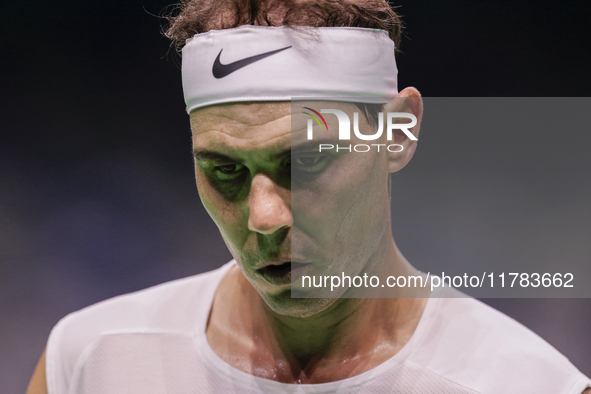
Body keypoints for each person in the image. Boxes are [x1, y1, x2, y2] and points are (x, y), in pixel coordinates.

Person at [27, 0, 591, 393]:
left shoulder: (528, 385)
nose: (265, 216)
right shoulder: (88, 361)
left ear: (398, 132)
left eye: (310, 160)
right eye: (224, 168)